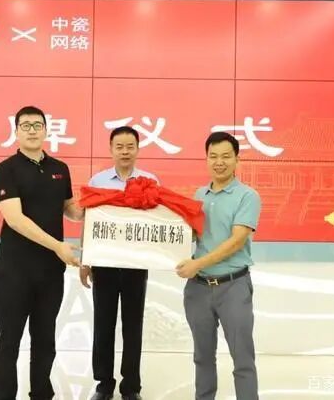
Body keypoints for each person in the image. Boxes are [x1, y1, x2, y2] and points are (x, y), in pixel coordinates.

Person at [0, 105, 84, 400]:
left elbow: (71, 210)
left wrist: (104, 204)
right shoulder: (6, 169)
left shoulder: (60, 169)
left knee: (45, 338)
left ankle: (42, 393)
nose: (32, 131)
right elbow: (14, 219)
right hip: (15, 269)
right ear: (16, 132)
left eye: (37, 125)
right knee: (10, 338)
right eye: (26, 126)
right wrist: (58, 246)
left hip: (50, 270)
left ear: (46, 130)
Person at [175, 131, 261, 400]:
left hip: (233, 286)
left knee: (242, 358)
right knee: (202, 356)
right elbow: (192, 235)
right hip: (198, 288)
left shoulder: (247, 196)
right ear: (206, 159)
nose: (219, 162)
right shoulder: (199, 194)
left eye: (226, 156)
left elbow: (236, 241)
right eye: (213, 156)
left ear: (237, 160)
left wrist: (197, 262)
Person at [80, 126, 158, 400]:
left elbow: (157, 222)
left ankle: (131, 386)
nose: (125, 152)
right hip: (104, 263)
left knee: (133, 325)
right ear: (111, 149)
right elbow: (89, 221)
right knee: (103, 324)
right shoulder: (99, 180)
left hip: (136, 263)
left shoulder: (150, 181)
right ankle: (104, 384)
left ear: (137, 149)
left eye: (130, 146)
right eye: (119, 147)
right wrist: (85, 260)